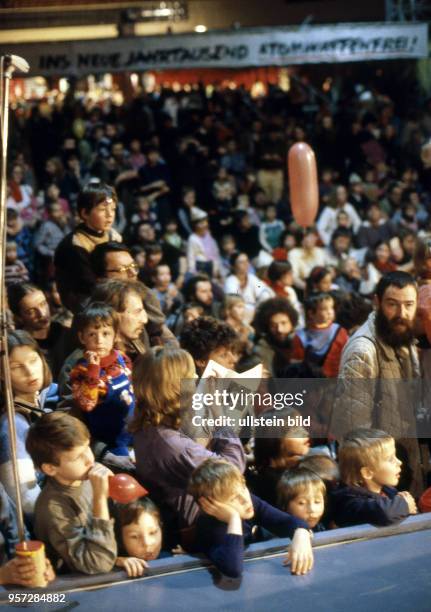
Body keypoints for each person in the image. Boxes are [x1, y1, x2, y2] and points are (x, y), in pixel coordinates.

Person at [130, 348, 246, 535]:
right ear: (172, 387)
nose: (196, 378)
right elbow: (232, 471)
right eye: (189, 375)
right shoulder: (170, 444)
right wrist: (219, 415)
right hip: (202, 530)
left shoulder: (150, 419)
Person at [330, 272, 425, 497]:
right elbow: (354, 436)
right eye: (392, 304)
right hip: (380, 487)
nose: (402, 314)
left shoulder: (402, 336)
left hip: (403, 470)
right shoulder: (362, 352)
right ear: (377, 302)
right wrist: (378, 497)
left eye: (409, 305)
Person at [188, 459, 313, 578]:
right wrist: (234, 519)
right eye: (233, 498)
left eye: (243, 488)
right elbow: (233, 568)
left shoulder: (249, 503)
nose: (245, 499)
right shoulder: (210, 527)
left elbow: (284, 521)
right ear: (209, 506)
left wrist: (301, 533)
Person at [26, 412, 117, 574]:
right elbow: (97, 564)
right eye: (77, 457)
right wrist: (100, 499)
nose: (90, 459)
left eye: (87, 447)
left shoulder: (87, 476)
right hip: (78, 586)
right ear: (50, 468)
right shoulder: (53, 507)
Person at [0, 331, 57, 516]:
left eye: (33, 360)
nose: (30, 372)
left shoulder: (53, 396)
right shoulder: (13, 423)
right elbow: (26, 498)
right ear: (2, 374)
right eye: (16, 367)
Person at [70, 303, 134, 457]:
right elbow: (87, 404)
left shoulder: (122, 357)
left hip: (133, 428)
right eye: (92, 334)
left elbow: (133, 386)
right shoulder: (80, 370)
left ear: (115, 335)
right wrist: (93, 368)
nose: (99, 340)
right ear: (82, 337)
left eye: (106, 333)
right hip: (110, 440)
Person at [90, 241, 178, 347]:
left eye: (133, 265)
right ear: (100, 279)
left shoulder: (145, 294)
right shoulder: (92, 315)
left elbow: (162, 333)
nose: (133, 273)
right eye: (123, 269)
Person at [54, 182, 121, 314]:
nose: (110, 215)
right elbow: (89, 284)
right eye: (103, 209)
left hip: (109, 288)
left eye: (113, 209)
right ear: (85, 213)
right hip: (83, 297)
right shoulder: (75, 244)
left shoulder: (114, 236)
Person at [331, 428, 417, 527]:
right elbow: (384, 513)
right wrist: (404, 505)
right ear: (367, 473)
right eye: (390, 459)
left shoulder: (388, 491)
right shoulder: (350, 503)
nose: (399, 462)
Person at [7, 282, 71, 379]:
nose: (42, 313)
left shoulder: (66, 333)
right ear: (19, 317)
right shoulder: (19, 346)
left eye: (43, 304)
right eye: (31, 312)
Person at [251, 420, 310, 507]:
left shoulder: (301, 464)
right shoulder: (275, 484)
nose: (306, 432)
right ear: (275, 441)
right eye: (295, 431)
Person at [291, 293, 349, 378]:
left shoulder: (340, 331)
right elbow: (297, 365)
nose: (330, 312)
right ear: (311, 313)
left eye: (331, 308)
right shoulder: (301, 337)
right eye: (324, 309)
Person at [114, 497, 163, 578]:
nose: (147, 543)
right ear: (120, 539)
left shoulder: (174, 558)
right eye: (135, 536)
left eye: (153, 532)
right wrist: (114, 561)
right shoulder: (113, 568)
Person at [252, 298, 299, 377]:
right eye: (274, 325)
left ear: (292, 323)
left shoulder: (300, 343)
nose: (279, 329)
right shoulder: (262, 350)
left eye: (284, 323)